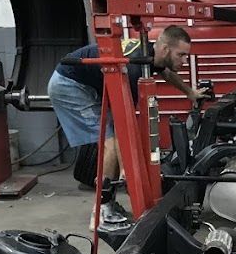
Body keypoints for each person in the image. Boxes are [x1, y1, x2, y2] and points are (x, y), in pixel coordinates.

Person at [48, 25, 204, 229]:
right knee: (110, 142)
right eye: (181, 55)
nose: (184, 61)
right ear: (165, 49)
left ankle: (108, 202)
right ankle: (101, 213)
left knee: (114, 138)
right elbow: (125, 127)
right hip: (70, 85)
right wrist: (127, 170)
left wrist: (189, 92)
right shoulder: (132, 71)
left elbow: (166, 72)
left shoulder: (151, 54)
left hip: (88, 83)